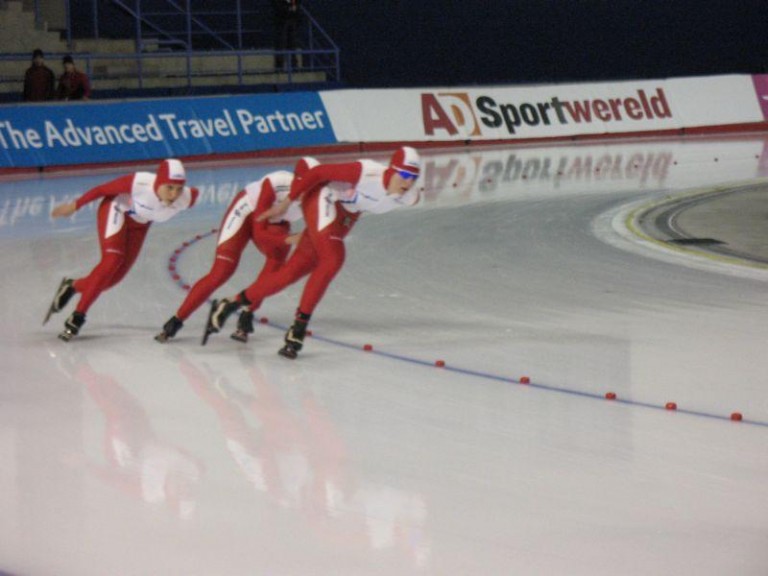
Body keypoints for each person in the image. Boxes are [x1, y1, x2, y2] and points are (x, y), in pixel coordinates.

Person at [203, 146, 421, 359]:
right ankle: (298, 328)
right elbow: (318, 172)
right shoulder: (366, 172)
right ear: (391, 169)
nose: (408, 181)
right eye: (403, 174)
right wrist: (286, 202)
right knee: (333, 258)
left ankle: (232, 302)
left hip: (344, 216)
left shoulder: (409, 196)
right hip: (321, 196)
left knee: (291, 273)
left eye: (413, 176)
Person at [155, 157, 319, 344]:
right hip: (246, 212)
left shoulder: (320, 199)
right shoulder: (276, 182)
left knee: (277, 260)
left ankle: (247, 314)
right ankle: (177, 320)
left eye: (312, 189)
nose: (306, 194)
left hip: (276, 222)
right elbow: (261, 232)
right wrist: (291, 239)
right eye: (303, 187)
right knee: (222, 271)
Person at [45, 159, 199, 341]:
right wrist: (74, 206)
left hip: (139, 225)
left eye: (178, 188)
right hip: (116, 210)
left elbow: (188, 194)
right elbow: (101, 190)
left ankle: (72, 286)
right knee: (112, 260)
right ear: (158, 182)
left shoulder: (187, 198)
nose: (174, 194)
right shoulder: (140, 183)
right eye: (169, 188)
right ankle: (77, 317)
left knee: (112, 280)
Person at [272, 0, 301, 70]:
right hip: (281, 21)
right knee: (281, 43)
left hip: (292, 20)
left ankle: (294, 65)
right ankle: (279, 66)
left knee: (292, 43)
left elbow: (297, 4)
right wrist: (289, 9)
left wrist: (295, 9)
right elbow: (277, 6)